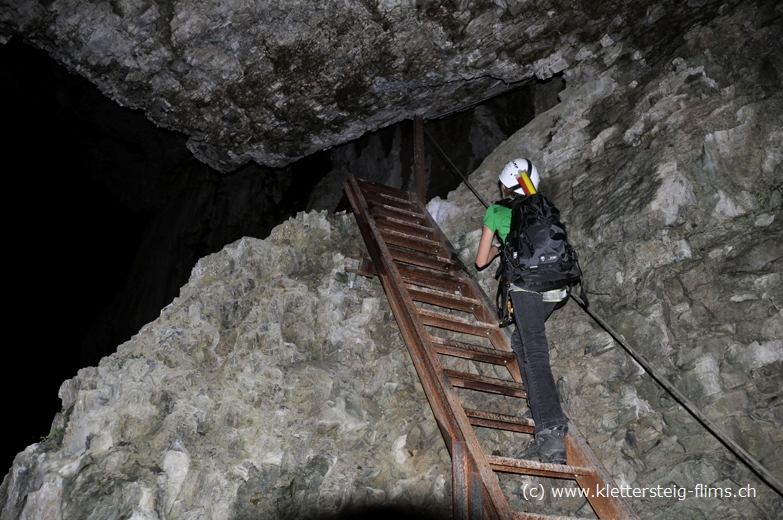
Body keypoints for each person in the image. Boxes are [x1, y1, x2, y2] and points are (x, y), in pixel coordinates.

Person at [475, 158, 569, 464]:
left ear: (504, 185)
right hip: (556, 287)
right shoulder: (542, 207)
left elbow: (480, 261)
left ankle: (552, 433)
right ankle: (541, 411)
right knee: (521, 343)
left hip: (527, 287)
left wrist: (503, 242)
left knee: (535, 350)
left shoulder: (496, 211)